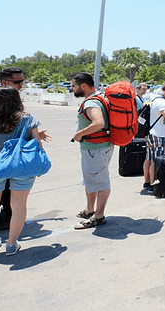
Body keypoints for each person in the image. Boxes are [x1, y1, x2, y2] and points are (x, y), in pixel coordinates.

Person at [0, 87, 48, 257]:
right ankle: (11, 244)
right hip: (22, 168)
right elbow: (38, 144)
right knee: (19, 206)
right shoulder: (28, 119)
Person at [71, 73, 113, 229]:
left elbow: (99, 123)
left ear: (83, 86)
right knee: (91, 179)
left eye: (74, 86)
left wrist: (79, 134)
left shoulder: (91, 103)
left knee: (100, 180)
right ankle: (90, 210)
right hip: (97, 147)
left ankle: (99, 216)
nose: (72, 88)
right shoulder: (100, 98)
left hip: (96, 149)